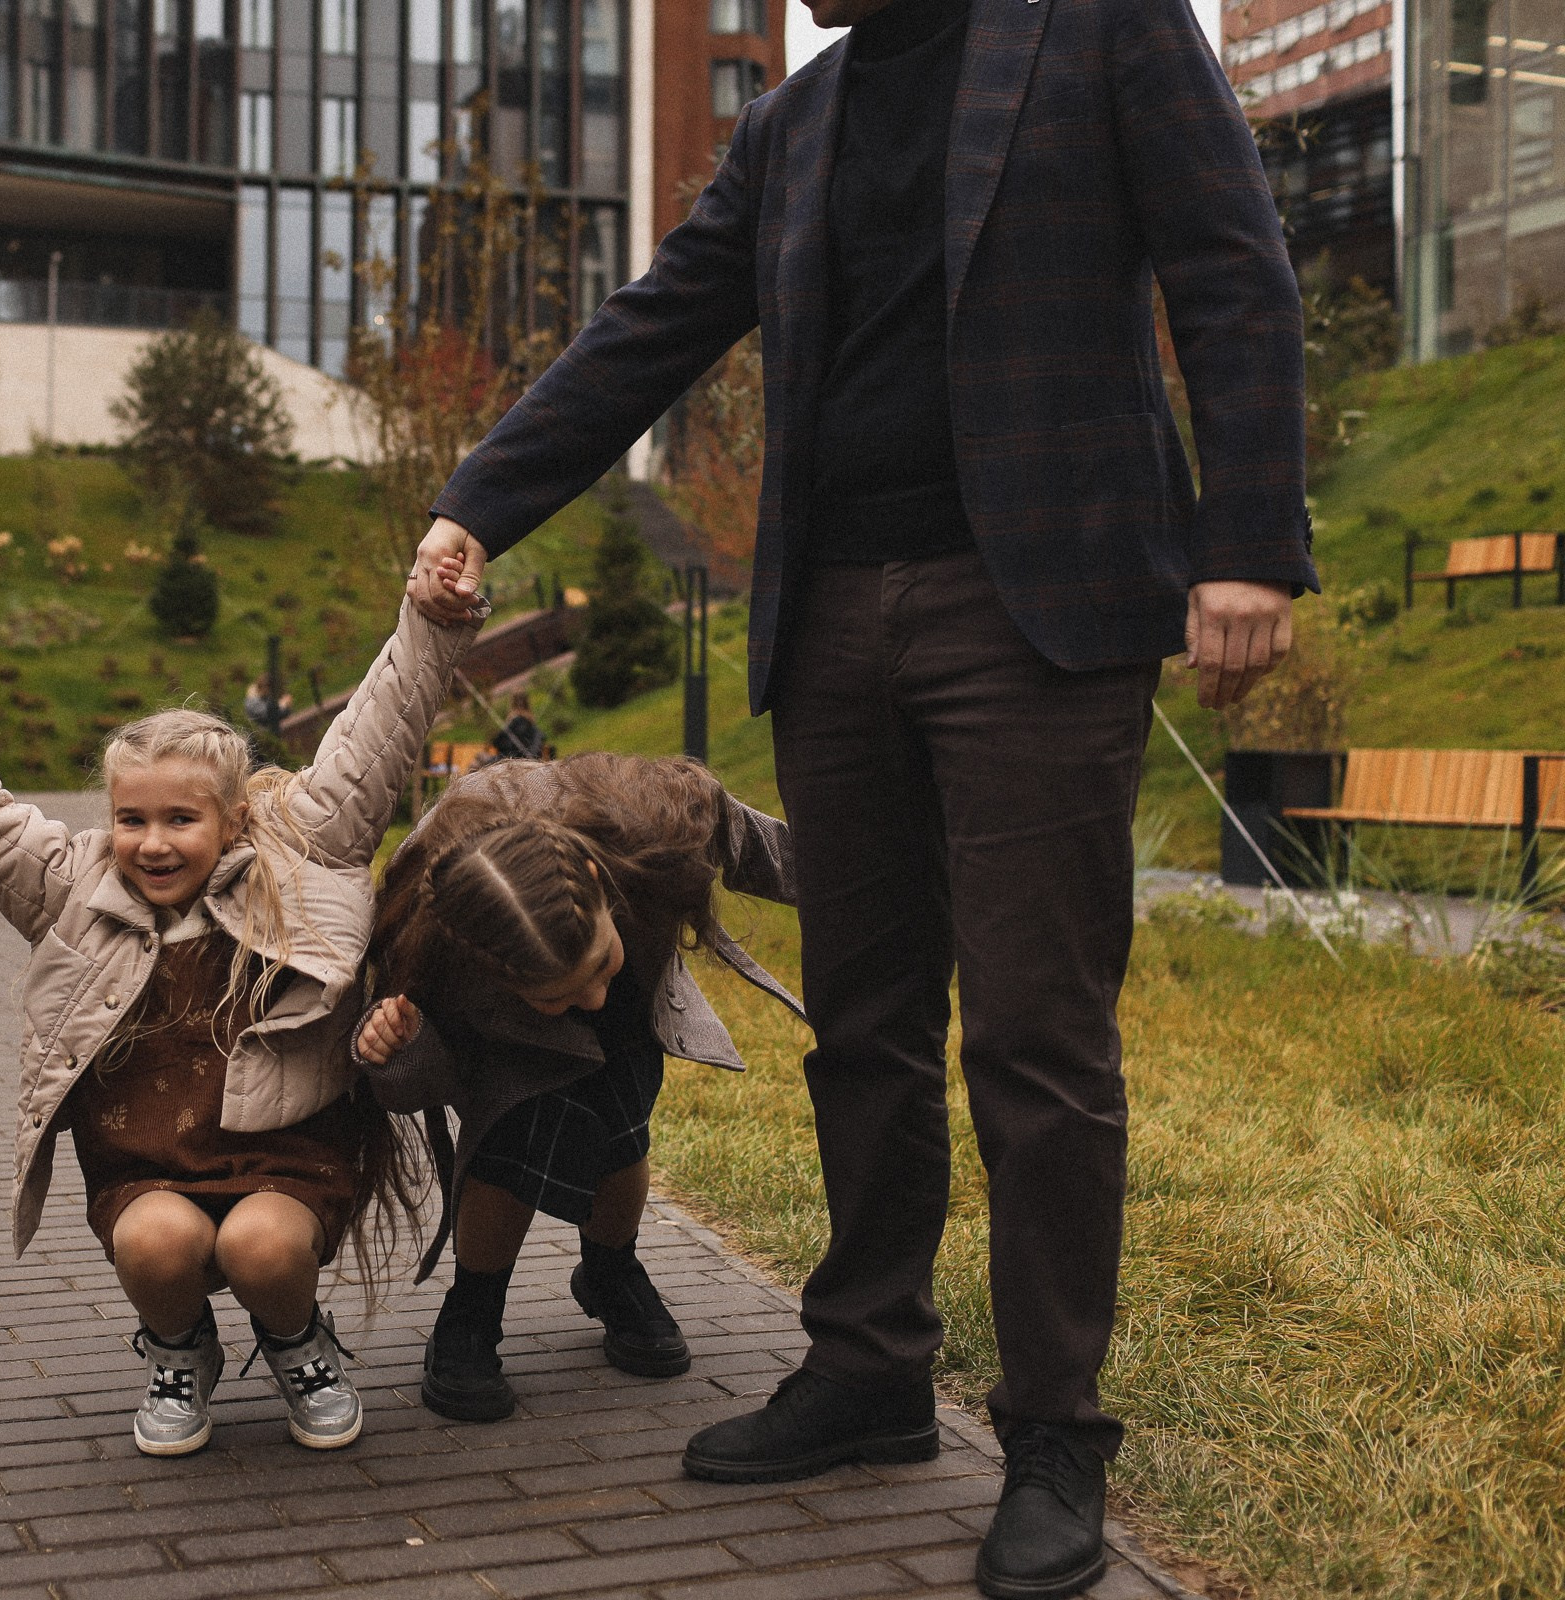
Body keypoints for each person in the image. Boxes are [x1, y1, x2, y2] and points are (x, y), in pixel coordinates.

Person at [402, 0, 1311, 1586]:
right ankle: (872, 1365)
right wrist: (482, 500)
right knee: (867, 1017)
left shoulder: (1097, 34)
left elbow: (1234, 270)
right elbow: (655, 322)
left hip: (1036, 606)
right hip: (830, 611)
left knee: (1037, 1033)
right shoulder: (792, 124)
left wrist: (1247, 539)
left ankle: (1053, 1441)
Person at [0, 584, 482, 1457]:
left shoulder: (300, 861)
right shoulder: (74, 889)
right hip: (144, 1159)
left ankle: (298, 1341)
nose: (153, 843)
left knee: (262, 1250)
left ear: (231, 821)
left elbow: (378, 736)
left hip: (286, 1155)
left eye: (181, 819)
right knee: (154, 1244)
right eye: (131, 819)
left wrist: (432, 619)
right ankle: (181, 1350)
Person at [352, 754, 799, 1421]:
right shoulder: (440, 943)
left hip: (632, 990)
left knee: (621, 1142)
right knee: (504, 1153)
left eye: (596, 966)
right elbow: (429, 1083)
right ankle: (472, 1310)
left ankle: (611, 1271)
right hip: (514, 1041)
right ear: (493, 973)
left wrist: (874, 872)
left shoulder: (655, 822)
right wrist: (397, 1044)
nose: (590, 995)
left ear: (594, 880)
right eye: (561, 995)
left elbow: (775, 852)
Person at [491, 692, 544, 762]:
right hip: (530, 760)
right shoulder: (531, 723)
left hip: (511, 760)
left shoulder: (513, 723)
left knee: (480, 759)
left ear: (512, 704)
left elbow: (498, 743)